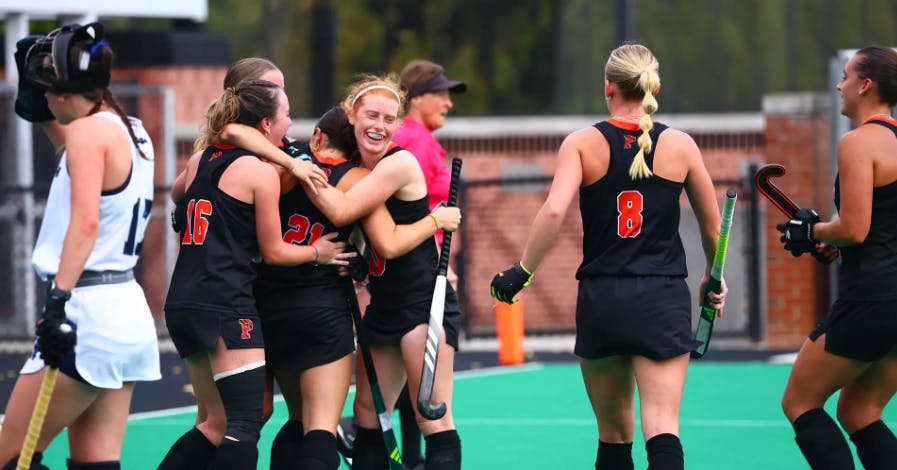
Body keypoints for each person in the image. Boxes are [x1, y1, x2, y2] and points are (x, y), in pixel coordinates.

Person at [490, 43, 726, 470]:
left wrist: (521, 272)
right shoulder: (681, 146)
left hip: (603, 298)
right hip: (662, 297)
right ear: (654, 86)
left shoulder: (582, 143)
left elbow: (556, 210)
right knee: (663, 428)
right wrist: (712, 278)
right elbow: (713, 230)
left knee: (614, 437)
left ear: (608, 88)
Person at [224, 74, 465, 470]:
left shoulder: (396, 163)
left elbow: (376, 236)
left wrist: (435, 222)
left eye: (389, 119)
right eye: (372, 115)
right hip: (385, 307)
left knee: (431, 414)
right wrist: (293, 160)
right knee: (367, 414)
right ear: (351, 115)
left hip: (422, 302)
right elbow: (233, 130)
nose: (380, 125)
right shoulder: (347, 166)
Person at [158, 79, 353, 470]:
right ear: (265, 125)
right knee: (242, 423)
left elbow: (179, 197)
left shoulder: (201, 159)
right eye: (285, 114)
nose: (291, 122)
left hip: (181, 301)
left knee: (214, 423)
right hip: (227, 303)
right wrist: (319, 252)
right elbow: (275, 251)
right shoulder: (260, 173)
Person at [0, 22, 162, 469]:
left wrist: (58, 301)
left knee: (10, 457)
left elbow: (86, 221)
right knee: (96, 463)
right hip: (124, 311)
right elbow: (73, 159)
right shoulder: (131, 129)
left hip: (87, 314)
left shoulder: (91, 134)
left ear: (62, 87)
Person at [777, 46, 897, 470]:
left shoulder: (859, 142)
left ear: (866, 85)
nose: (839, 85)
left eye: (846, 76)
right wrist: (835, 240)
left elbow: (856, 228)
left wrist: (812, 230)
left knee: (799, 401)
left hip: (872, 299)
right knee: (860, 413)